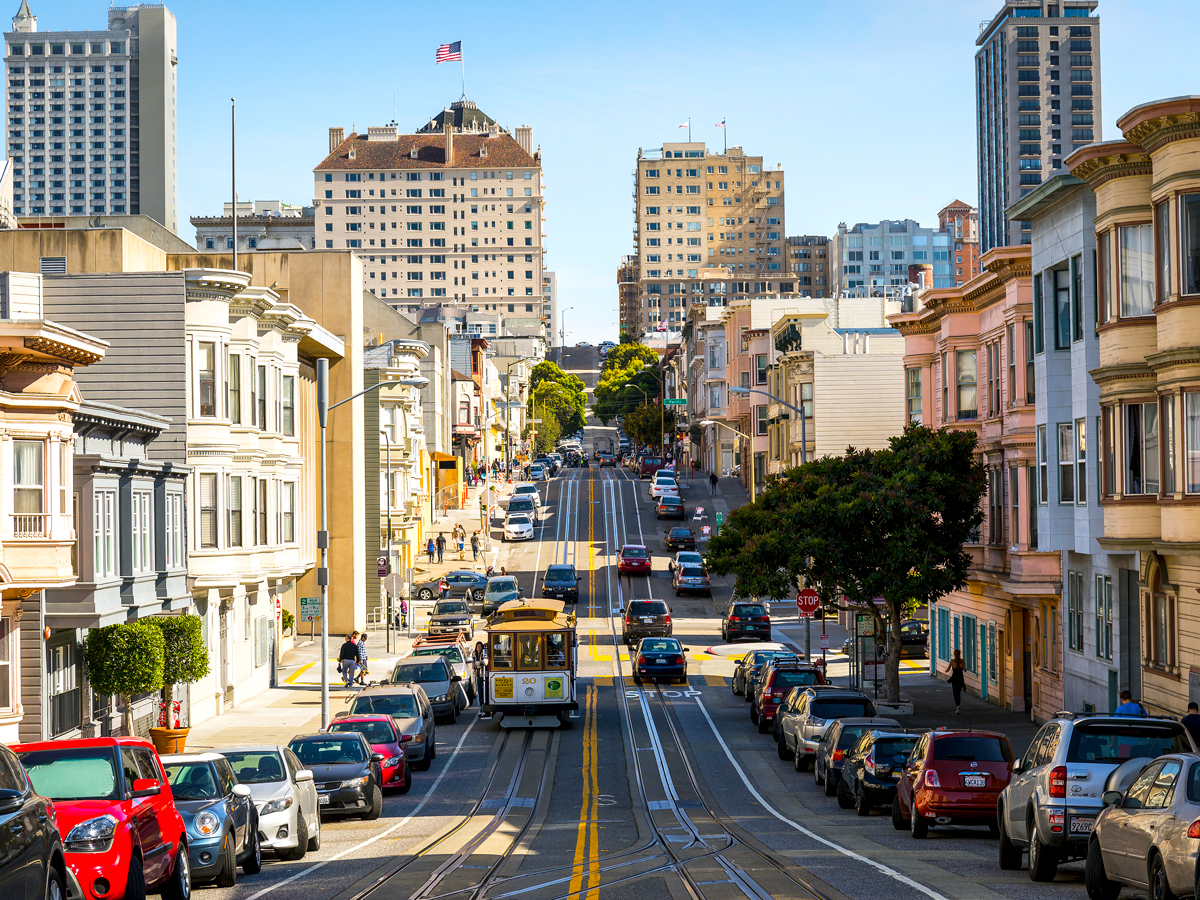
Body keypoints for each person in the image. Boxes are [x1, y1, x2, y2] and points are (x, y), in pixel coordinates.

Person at [945, 648, 966, 714]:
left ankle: (957, 705)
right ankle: (958, 705)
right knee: (959, 693)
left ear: (954, 654)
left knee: (955, 693)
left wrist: (946, 670)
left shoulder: (952, 661)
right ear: (960, 654)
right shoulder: (962, 661)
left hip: (954, 679)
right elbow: (965, 670)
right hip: (960, 679)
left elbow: (947, 670)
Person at [472, 640, 489, 718]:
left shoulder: (484, 653)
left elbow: (485, 662)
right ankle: (480, 709)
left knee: (485, 693)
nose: (478, 648)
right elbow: (473, 665)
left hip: (484, 676)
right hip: (478, 676)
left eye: (480, 646)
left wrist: (478, 663)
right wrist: (479, 663)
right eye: (477, 646)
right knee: (479, 694)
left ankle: (485, 709)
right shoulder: (474, 654)